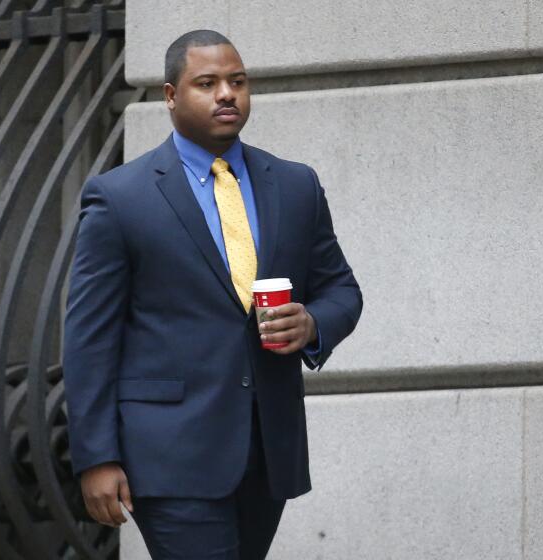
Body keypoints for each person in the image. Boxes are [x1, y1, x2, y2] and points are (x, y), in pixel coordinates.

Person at [61, 29, 362, 559]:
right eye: (207, 83)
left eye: (237, 81)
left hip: (268, 450)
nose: (227, 94)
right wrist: (95, 456)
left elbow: (341, 288)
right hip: (168, 455)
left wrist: (312, 324)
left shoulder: (294, 185)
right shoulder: (119, 197)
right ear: (171, 96)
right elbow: (89, 338)